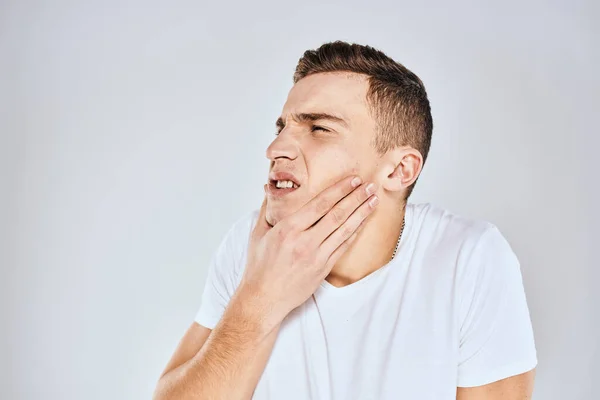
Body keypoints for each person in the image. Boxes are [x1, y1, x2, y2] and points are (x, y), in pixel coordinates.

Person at [152, 41, 537, 400]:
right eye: (282, 127)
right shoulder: (249, 246)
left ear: (400, 170)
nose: (276, 148)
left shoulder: (467, 258)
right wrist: (259, 299)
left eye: (319, 128)